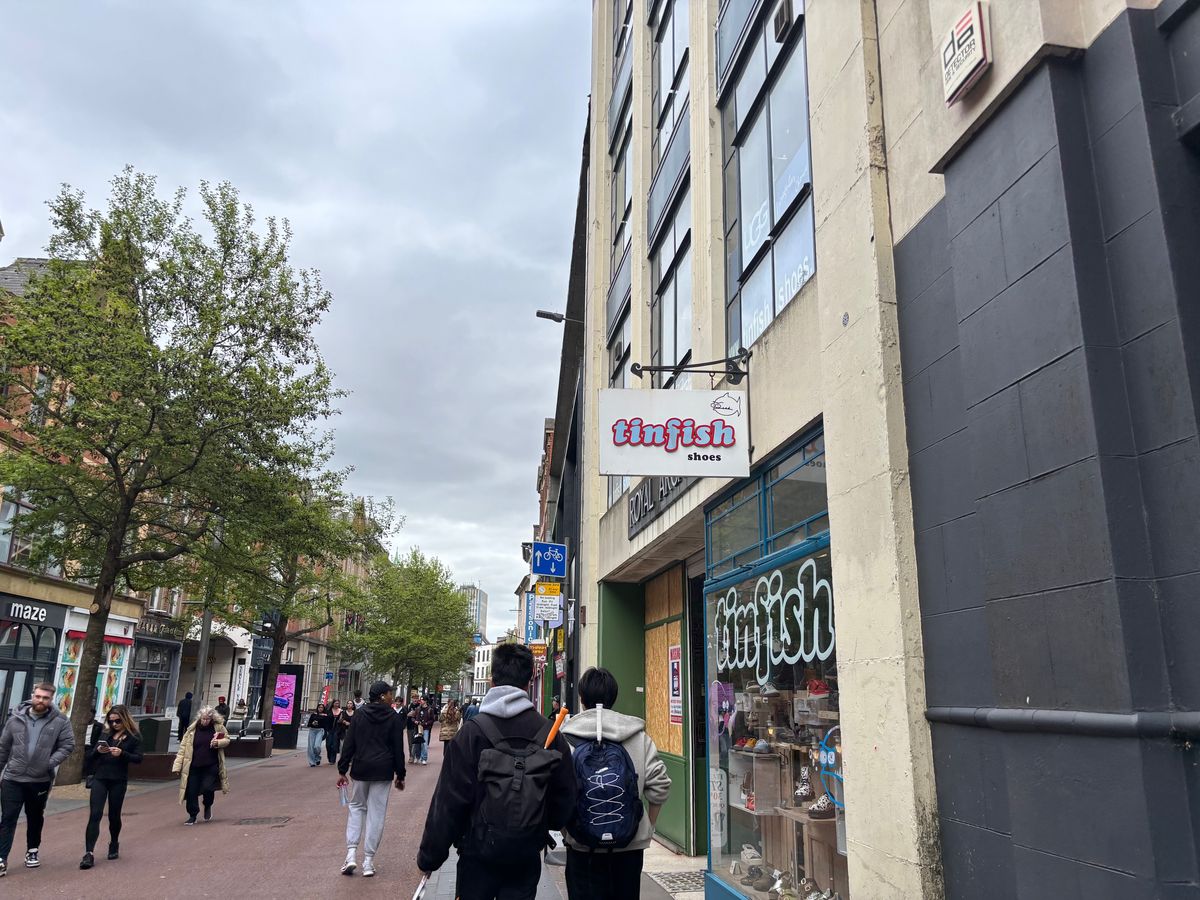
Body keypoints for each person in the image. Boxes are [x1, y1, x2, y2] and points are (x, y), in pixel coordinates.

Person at [418, 643, 577, 899]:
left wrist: (430, 857)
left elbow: (448, 801)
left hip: (476, 854)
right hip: (525, 854)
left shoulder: (472, 732)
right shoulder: (549, 734)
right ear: (528, 681)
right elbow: (565, 799)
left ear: (493, 679)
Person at [560, 667, 672, 900]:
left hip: (582, 847)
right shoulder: (638, 737)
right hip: (628, 849)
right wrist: (647, 827)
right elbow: (660, 786)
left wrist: (566, 829)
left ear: (581, 700)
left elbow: (556, 792)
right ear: (614, 697)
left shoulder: (567, 738)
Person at [0, 682, 75, 878]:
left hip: (39, 779)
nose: (40, 701)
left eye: (45, 698)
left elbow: (68, 745)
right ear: (32, 695)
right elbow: (3, 748)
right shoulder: (15, 719)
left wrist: (49, 763)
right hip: (13, 778)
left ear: (52, 700)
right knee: (8, 818)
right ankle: (1, 858)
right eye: (38, 696)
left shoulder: (60, 721)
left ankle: (32, 851)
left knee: (35, 817)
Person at [336, 681, 406, 878]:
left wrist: (343, 769)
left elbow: (350, 743)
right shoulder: (393, 717)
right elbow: (398, 749)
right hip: (383, 770)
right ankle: (368, 861)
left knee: (356, 807)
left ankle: (350, 854)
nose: (392, 697)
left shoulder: (360, 715)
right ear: (383, 696)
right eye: (390, 694)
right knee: (377, 813)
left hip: (361, 768)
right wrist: (400, 774)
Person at [79, 704, 143, 869]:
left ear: (124, 720)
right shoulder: (105, 734)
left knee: (114, 815)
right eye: (111, 721)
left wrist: (122, 754)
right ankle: (89, 853)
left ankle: (114, 842)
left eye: (117, 721)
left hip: (118, 779)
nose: (114, 724)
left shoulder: (133, 737)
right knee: (95, 814)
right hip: (100, 777)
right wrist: (98, 751)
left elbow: (138, 758)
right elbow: (91, 755)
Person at [172, 706, 231, 825]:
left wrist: (218, 742)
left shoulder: (218, 727)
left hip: (211, 765)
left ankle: (208, 804)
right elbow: (183, 749)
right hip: (194, 765)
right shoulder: (191, 730)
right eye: (203, 719)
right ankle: (192, 815)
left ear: (212, 718)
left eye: (208, 719)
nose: (205, 721)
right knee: (191, 791)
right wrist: (177, 766)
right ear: (199, 718)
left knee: (208, 788)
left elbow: (227, 739)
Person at [413, 697, 435, 766]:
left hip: (425, 729)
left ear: (425, 701)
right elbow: (413, 717)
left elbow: (432, 720)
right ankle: (417, 757)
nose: (420, 701)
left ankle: (424, 759)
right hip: (417, 728)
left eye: (422, 700)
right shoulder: (417, 709)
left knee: (424, 744)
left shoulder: (430, 709)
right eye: (420, 700)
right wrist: (415, 721)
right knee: (417, 743)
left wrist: (426, 723)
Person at [326, 700, 346, 764]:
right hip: (329, 730)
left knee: (334, 745)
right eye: (335, 703)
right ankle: (329, 757)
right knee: (328, 745)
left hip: (337, 730)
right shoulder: (329, 711)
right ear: (333, 704)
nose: (337, 704)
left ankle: (332, 760)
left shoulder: (341, 711)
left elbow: (343, 720)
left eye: (338, 703)